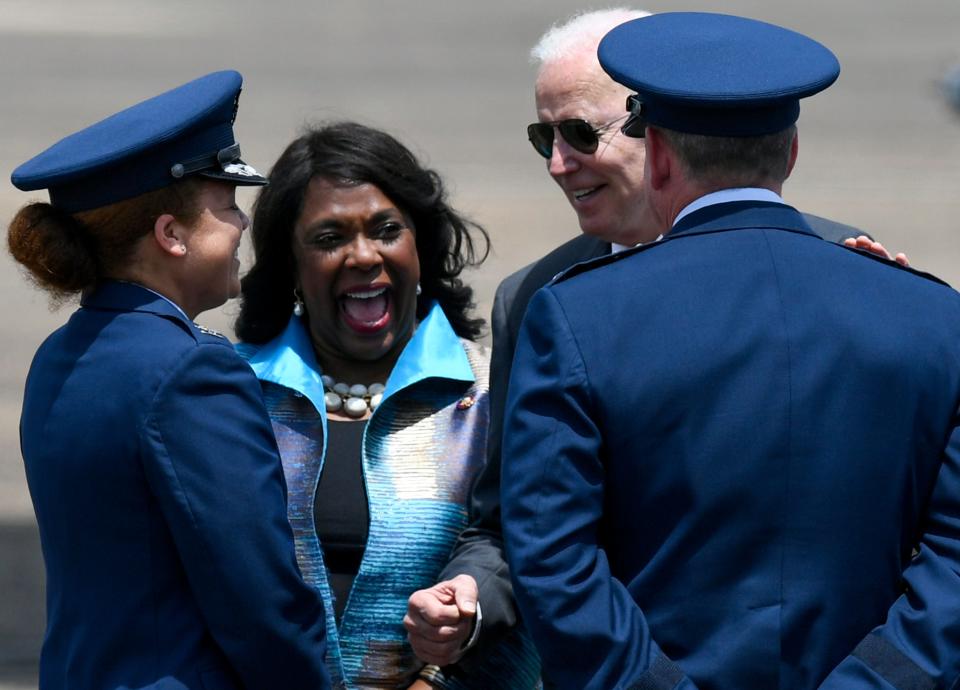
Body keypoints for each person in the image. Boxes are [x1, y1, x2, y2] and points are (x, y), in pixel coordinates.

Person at [406, 7, 904, 669]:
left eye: (581, 133)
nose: (558, 164)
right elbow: (511, 524)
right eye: (542, 137)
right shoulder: (537, 296)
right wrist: (470, 595)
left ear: (660, 130)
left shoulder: (852, 269)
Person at [7, 71, 332, 689]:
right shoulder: (191, 371)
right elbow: (259, 596)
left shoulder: (60, 354)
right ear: (171, 235)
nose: (241, 226)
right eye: (228, 204)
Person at [233, 121, 540, 690]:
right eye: (329, 238)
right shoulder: (233, 393)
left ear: (420, 246)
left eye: (386, 230)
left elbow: (538, 572)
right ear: (291, 268)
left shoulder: (494, 393)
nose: (363, 256)